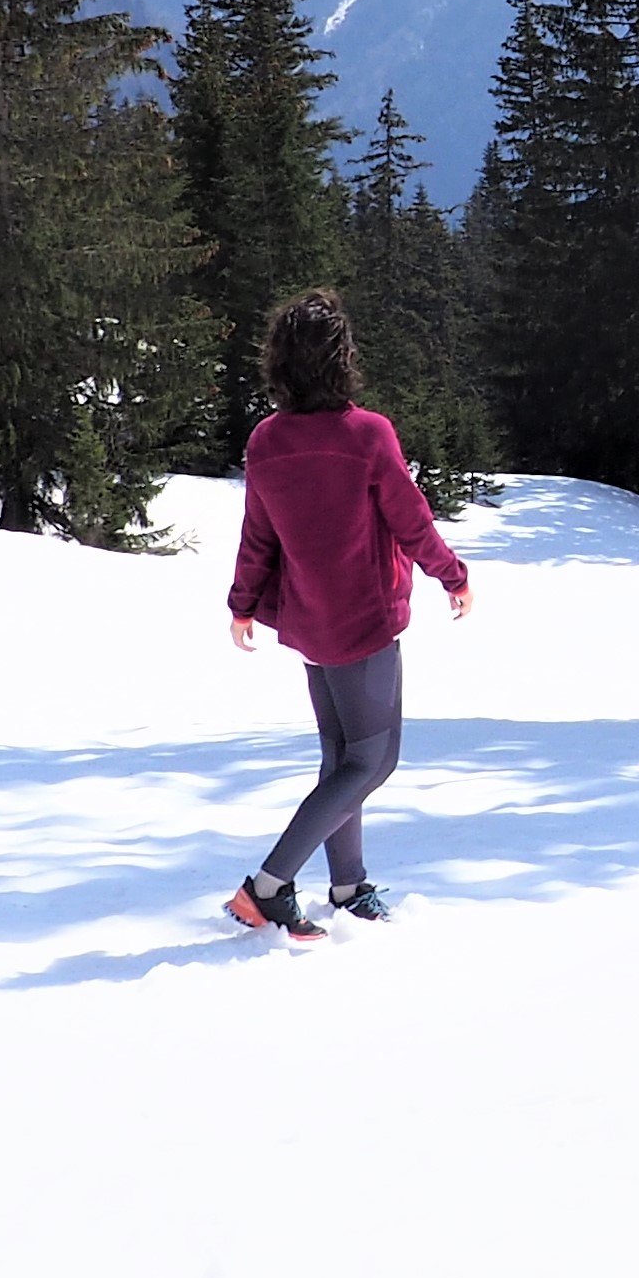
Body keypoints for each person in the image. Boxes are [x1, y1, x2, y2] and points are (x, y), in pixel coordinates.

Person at [223, 288, 471, 935]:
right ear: (341, 360)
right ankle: (269, 885)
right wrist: (453, 575)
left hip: (310, 625)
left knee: (341, 759)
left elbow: (259, 535)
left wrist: (243, 604)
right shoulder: (367, 434)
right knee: (372, 761)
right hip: (364, 624)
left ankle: (348, 884)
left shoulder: (267, 441)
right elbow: (412, 521)